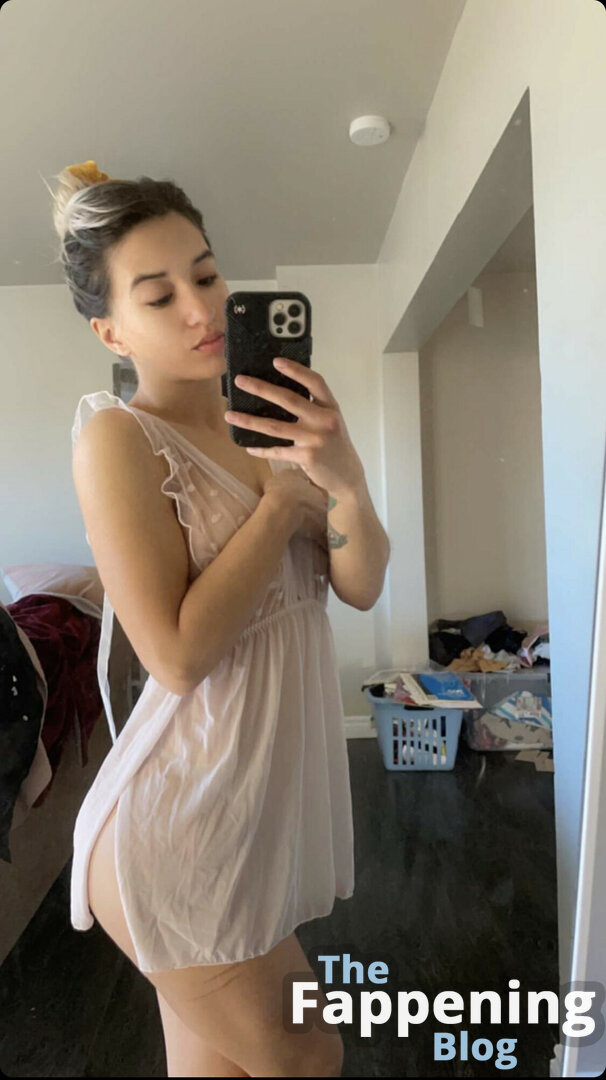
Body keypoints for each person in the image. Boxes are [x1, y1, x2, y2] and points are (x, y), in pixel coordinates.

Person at [46, 160, 390, 1077]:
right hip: (179, 825)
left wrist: (344, 476)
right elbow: (174, 656)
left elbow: (360, 584)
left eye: (205, 275)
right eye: (160, 295)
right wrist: (278, 511)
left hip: (251, 820)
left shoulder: (274, 425)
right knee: (308, 1052)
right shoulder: (118, 438)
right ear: (110, 330)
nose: (201, 309)